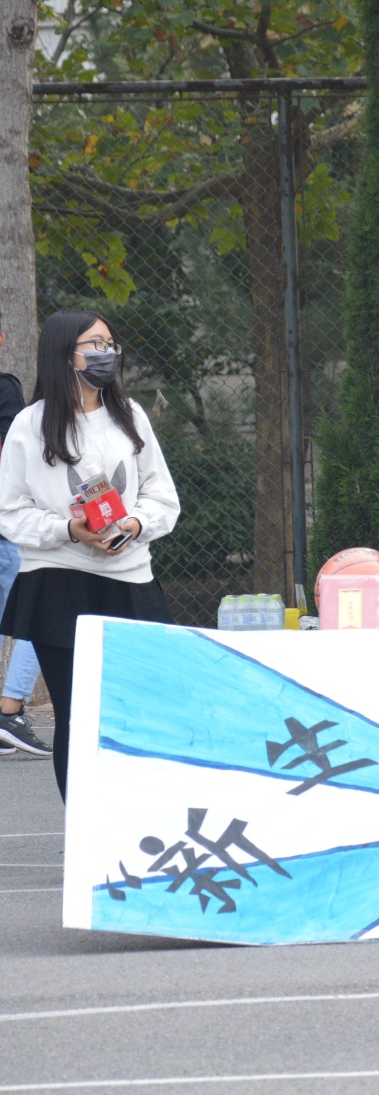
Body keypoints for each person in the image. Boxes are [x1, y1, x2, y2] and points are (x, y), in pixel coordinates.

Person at [0, 309, 180, 799]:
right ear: (64, 354)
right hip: (58, 584)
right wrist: (69, 530)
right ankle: (83, 830)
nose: (107, 354)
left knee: (139, 712)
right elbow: (10, 512)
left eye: (109, 343)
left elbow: (162, 496)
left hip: (131, 580)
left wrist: (135, 524)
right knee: (77, 716)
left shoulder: (131, 415)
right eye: (93, 345)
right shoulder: (30, 424)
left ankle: (136, 823)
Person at [0, 314, 50, 757]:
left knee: (33, 613)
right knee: (38, 611)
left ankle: (9, 710)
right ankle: (9, 710)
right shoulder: (6, 390)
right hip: (9, 527)